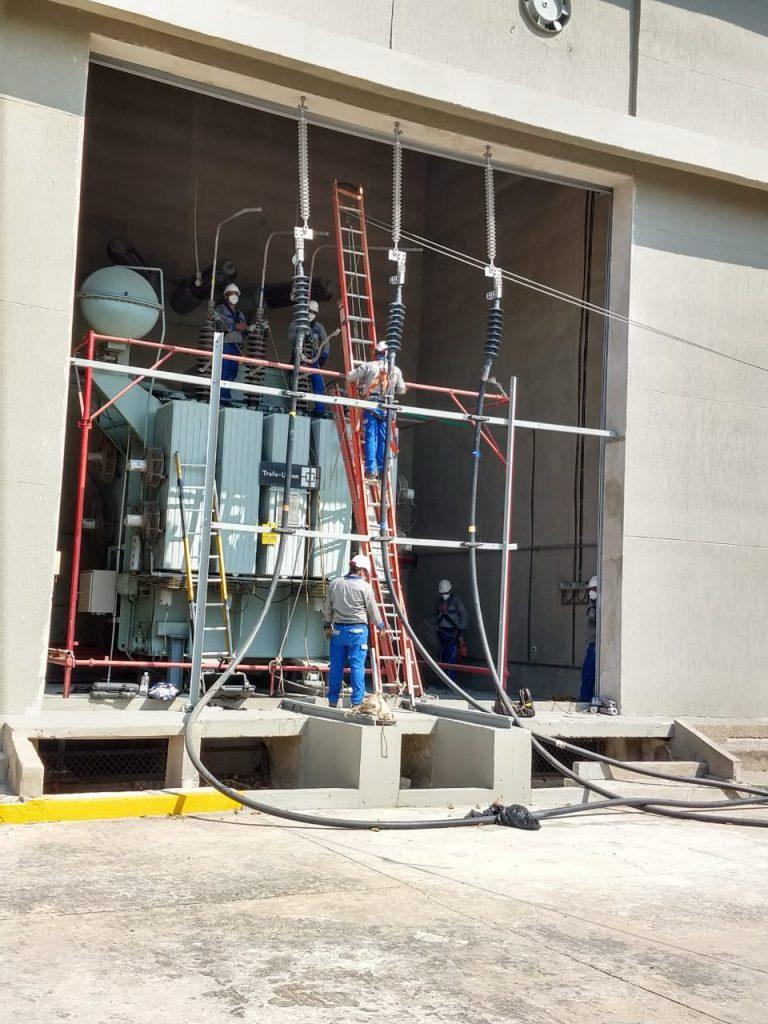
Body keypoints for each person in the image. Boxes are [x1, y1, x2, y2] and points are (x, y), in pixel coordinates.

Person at [322, 554, 385, 708]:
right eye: (366, 573)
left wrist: (327, 625)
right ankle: (356, 703)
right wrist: (381, 626)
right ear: (362, 570)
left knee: (335, 667)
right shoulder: (365, 587)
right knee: (357, 667)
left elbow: (327, 607)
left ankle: (332, 701)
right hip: (358, 631)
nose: (366, 576)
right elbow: (373, 610)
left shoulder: (335, 583)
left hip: (338, 631)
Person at [347, 341, 406, 480]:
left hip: (371, 406)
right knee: (384, 439)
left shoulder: (369, 366)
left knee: (371, 437)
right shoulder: (396, 370)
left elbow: (350, 376)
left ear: (376, 353)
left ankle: (370, 470)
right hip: (387, 408)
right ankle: (382, 469)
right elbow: (401, 389)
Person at [288, 299, 331, 416]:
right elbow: (290, 338)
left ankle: (319, 409)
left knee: (318, 381)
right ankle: (295, 406)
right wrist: (300, 334)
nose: (312, 314)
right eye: (310, 311)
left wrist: (323, 357)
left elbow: (326, 343)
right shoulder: (296, 323)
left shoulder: (318, 327)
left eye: (314, 312)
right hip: (298, 357)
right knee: (295, 379)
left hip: (313, 358)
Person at [213, 282, 247, 404]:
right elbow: (220, 323)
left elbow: (244, 328)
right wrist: (235, 325)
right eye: (231, 294)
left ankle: (226, 397)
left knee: (232, 372)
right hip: (225, 344)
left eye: (236, 294)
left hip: (236, 347)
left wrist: (247, 329)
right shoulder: (220, 309)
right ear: (226, 296)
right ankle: (219, 397)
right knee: (223, 371)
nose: (234, 296)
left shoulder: (240, 313)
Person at [435, 579, 468, 669]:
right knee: (443, 659)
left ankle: (450, 677)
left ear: (449, 590)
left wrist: (461, 631)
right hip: (442, 633)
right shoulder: (439, 602)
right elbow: (436, 616)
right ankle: (443, 677)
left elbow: (464, 616)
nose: (444, 595)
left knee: (451, 658)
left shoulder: (456, 601)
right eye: (442, 593)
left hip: (453, 633)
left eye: (445, 593)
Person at [579, 575, 598, 703]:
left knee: (588, 672)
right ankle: (585, 699)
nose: (591, 592)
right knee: (587, 673)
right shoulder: (593, 605)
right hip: (592, 644)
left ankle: (585, 700)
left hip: (596, 645)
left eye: (594, 589)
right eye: (590, 589)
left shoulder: (599, 606)